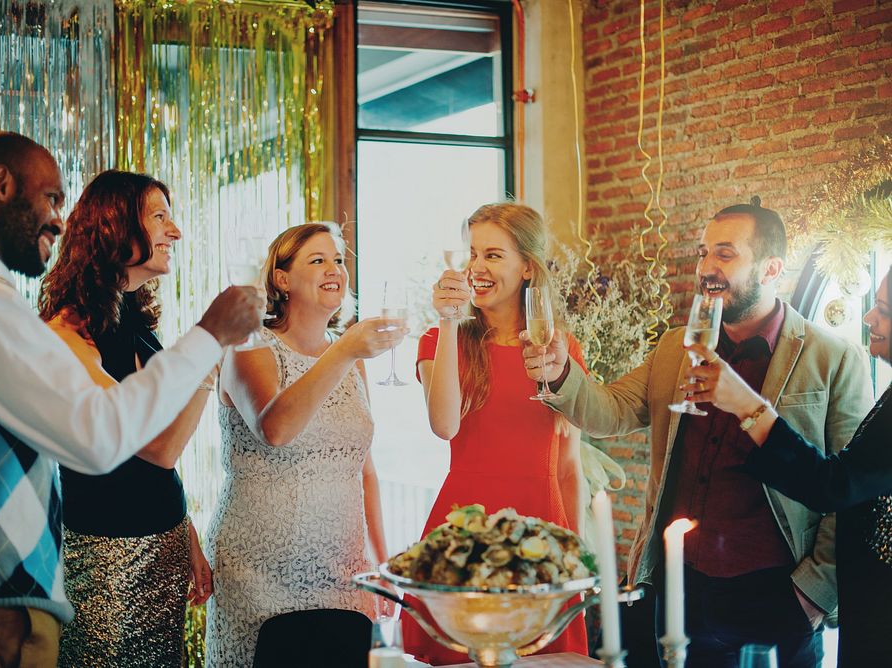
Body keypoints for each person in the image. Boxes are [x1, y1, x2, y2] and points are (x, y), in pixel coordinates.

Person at [0, 131, 261, 667]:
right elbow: (97, 437)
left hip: (0, 602)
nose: (60, 221)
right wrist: (209, 337)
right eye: (51, 199)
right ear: (1, 184)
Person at [521, 198, 873, 667]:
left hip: (776, 593)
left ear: (771, 268)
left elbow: (850, 493)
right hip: (676, 587)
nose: (706, 267)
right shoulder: (675, 346)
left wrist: (813, 593)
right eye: (703, 253)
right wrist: (564, 374)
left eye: (724, 254)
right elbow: (613, 410)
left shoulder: (836, 359)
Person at [203, 222, 405, 667]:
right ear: (282, 278)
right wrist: (346, 350)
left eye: (339, 259)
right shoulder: (250, 344)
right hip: (259, 575)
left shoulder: (351, 358)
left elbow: (364, 470)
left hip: (345, 574)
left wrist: (383, 563)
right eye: (318, 260)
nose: (334, 268)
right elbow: (275, 427)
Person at [37, 170, 214, 666]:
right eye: (159, 216)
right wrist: (209, 356)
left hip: (164, 546)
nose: (174, 231)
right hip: (109, 561)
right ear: (115, 227)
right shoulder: (66, 334)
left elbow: (156, 470)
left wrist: (186, 534)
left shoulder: (134, 321)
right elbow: (155, 448)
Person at [402, 202, 589, 665]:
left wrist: (577, 561)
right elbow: (444, 425)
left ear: (528, 266)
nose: (477, 267)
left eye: (493, 255)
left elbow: (569, 465)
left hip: (542, 531)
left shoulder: (561, 349)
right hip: (463, 529)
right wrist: (448, 320)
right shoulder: (439, 340)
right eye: (472, 253)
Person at [683, 265, 891, 667]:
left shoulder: (836, 356)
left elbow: (834, 484)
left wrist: (748, 405)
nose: (869, 317)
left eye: (882, 308)